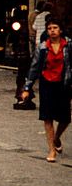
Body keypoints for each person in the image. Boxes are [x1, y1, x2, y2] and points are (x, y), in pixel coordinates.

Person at [21, 18, 71, 163]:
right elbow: (34, 68)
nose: (52, 30)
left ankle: (56, 138)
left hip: (63, 83)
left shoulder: (68, 45)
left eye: (55, 27)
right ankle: (51, 149)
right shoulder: (42, 47)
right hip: (47, 84)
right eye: (49, 28)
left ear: (60, 30)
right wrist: (27, 88)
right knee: (47, 117)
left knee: (65, 118)